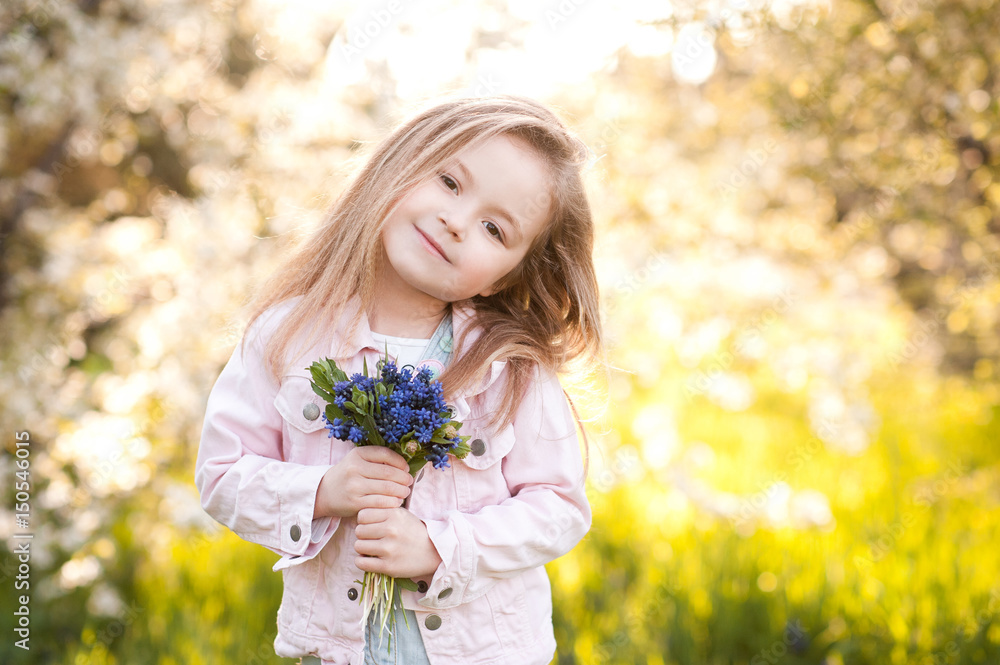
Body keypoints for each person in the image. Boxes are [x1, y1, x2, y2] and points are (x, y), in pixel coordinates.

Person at [195, 94, 607, 665]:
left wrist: (441, 547)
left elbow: (558, 507)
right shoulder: (288, 336)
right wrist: (325, 491)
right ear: (400, 165)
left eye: (494, 229)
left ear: (505, 277)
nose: (456, 222)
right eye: (450, 183)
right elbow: (222, 474)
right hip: (337, 652)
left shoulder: (510, 367)